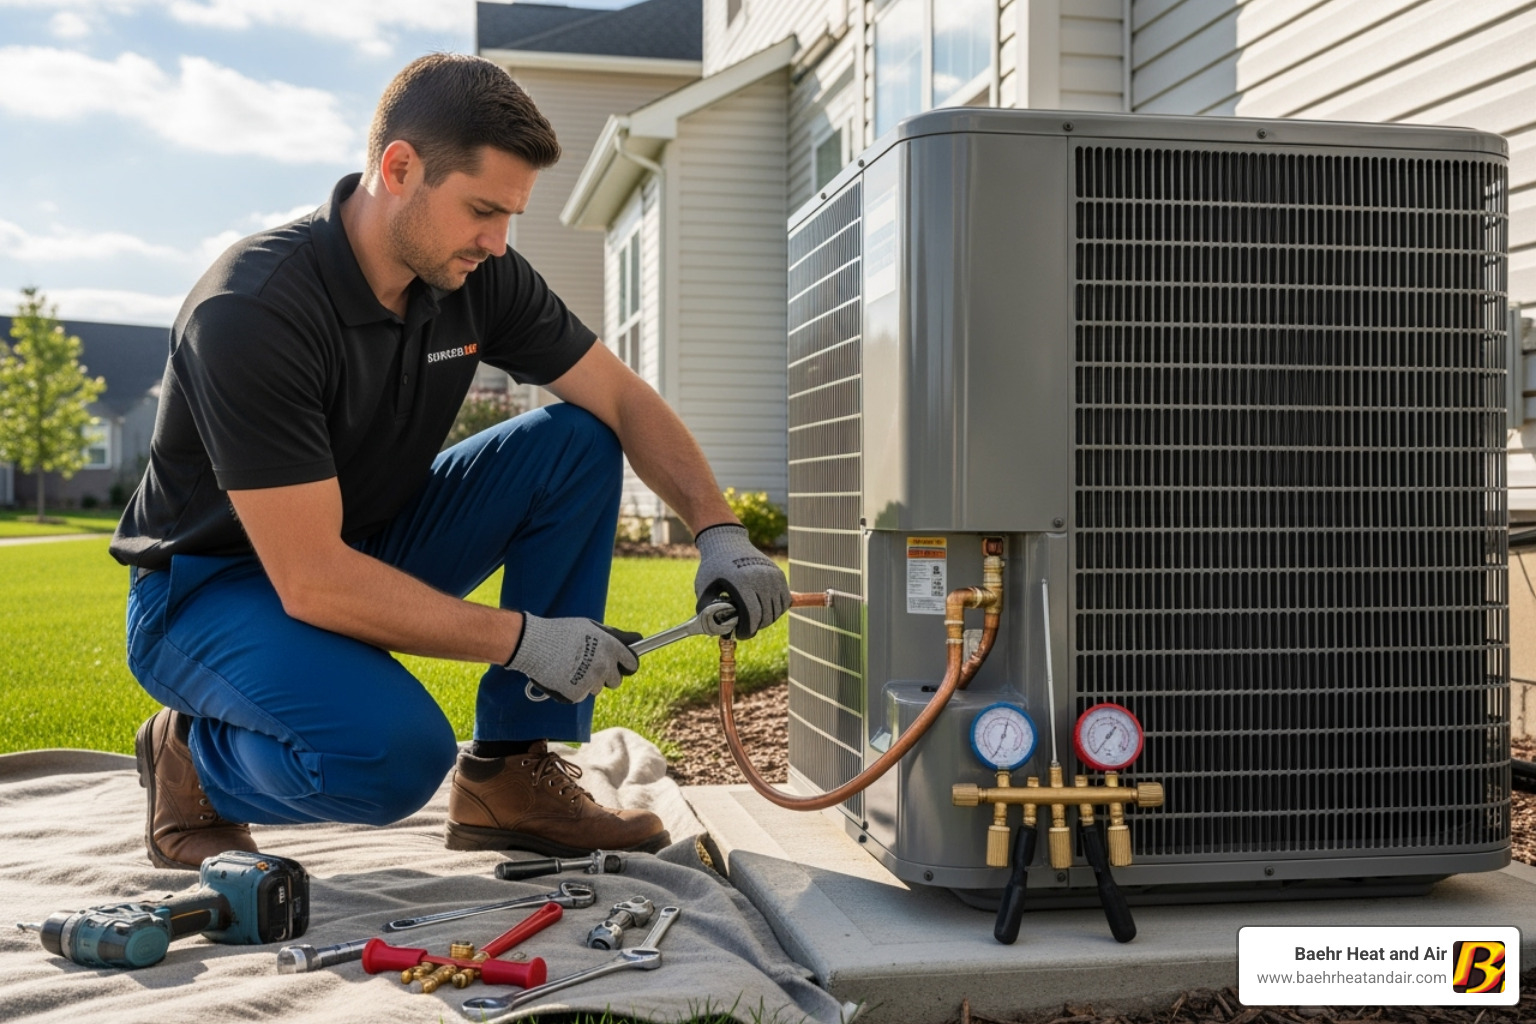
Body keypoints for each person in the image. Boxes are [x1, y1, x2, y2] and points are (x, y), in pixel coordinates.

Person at [108, 53, 789, 871]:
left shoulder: (479, 276)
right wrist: (524, 639)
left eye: (511, 216)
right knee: (388, 757)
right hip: (210, 591)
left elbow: (623, 399)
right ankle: (193, 761)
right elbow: (312, 579)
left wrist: (721, 531)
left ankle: (512, 775)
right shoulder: (252, 311)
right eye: (482, 210)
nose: (498, 242)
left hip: (362, 541)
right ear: (400, 168)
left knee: (575, 440)